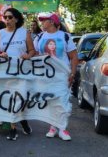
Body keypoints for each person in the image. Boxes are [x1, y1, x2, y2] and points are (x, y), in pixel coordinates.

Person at [0, 8, 36, 141]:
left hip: (21, 71)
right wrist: (1, 55)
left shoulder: (25, 33)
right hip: (5, 72)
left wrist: (27, 55)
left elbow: (32, 51)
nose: (7, 20)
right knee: (10, 99)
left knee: (21, 98)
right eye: (5, 17)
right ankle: (12, 128)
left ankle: (22, 120)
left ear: (16, 19)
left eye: (10, 17)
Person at [35, 12, 77, 141]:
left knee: (62, 100)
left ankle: (63, 129)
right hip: (45, 75)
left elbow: (74, 56)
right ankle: (53, 127)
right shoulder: (40, 36)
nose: (41, 23)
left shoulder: (65, 36)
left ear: (52, 22)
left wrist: (73, 73)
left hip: (62, 74)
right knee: (50, 101)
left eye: (44, 20)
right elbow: (35, 55)